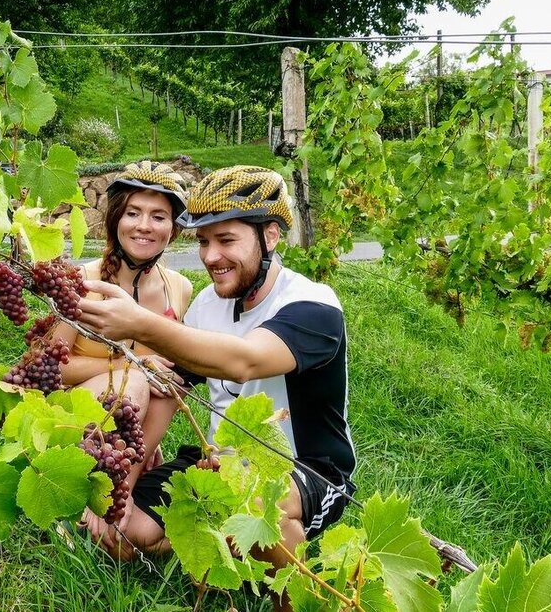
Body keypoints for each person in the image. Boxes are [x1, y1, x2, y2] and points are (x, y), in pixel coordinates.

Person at [75, 165, 356, 580]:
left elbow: (245, 360)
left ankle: (293, 597)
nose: (209, 257)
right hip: (219, 463)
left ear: (271, 236)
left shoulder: (312, 305)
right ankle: (220, 535)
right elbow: (170, 390)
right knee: (124, 534)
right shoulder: (207, 304)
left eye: (226, 240)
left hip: (305, 469)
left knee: (253, 503)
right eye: (203, 241)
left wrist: (138, 323)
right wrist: (121, 491)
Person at [50, 160, 193, 532]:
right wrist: (132, 368)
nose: (145, 226)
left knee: (170, 379)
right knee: (136, 382)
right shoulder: (83, 280)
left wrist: (140, 444)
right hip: (70, 415)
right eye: (133, 212)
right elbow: (52, 371)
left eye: (159, 216)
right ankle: (98, 496)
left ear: (172, 229)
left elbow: (169, 383)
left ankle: (119, 491)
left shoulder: (180, 287)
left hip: (126, 432)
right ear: (116, 219)